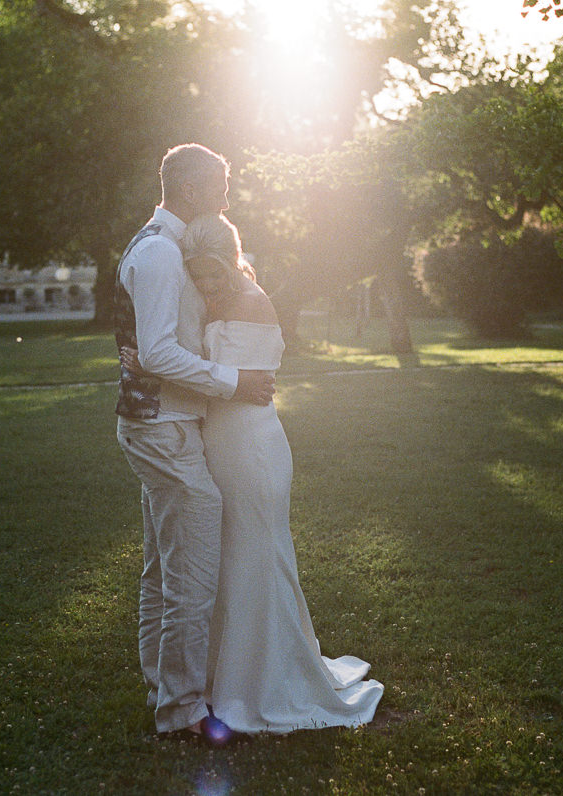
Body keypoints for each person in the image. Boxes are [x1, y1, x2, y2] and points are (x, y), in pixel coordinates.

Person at [123, 214, 384, 734]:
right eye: (196, 275)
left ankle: (261, 683)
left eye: (213, 272)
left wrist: (151, 362)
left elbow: (231, 383)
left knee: (253, 560)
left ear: (232, 260)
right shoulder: (217, 301)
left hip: (248, 449)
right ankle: (224, 677)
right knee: (226, 561)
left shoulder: (248, 301)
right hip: (219, 444)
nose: (205, 285)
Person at [113, 144, 276, 742]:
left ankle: (164, 690)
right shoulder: (157, 253)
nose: (227, 197)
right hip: (163, 427)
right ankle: (182, 710)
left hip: (161, 424)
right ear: (187, 188)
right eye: (220, 185)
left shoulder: (159, 245)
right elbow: (155, 353)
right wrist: (236, 383)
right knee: (192, 575)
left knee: (163, 569)